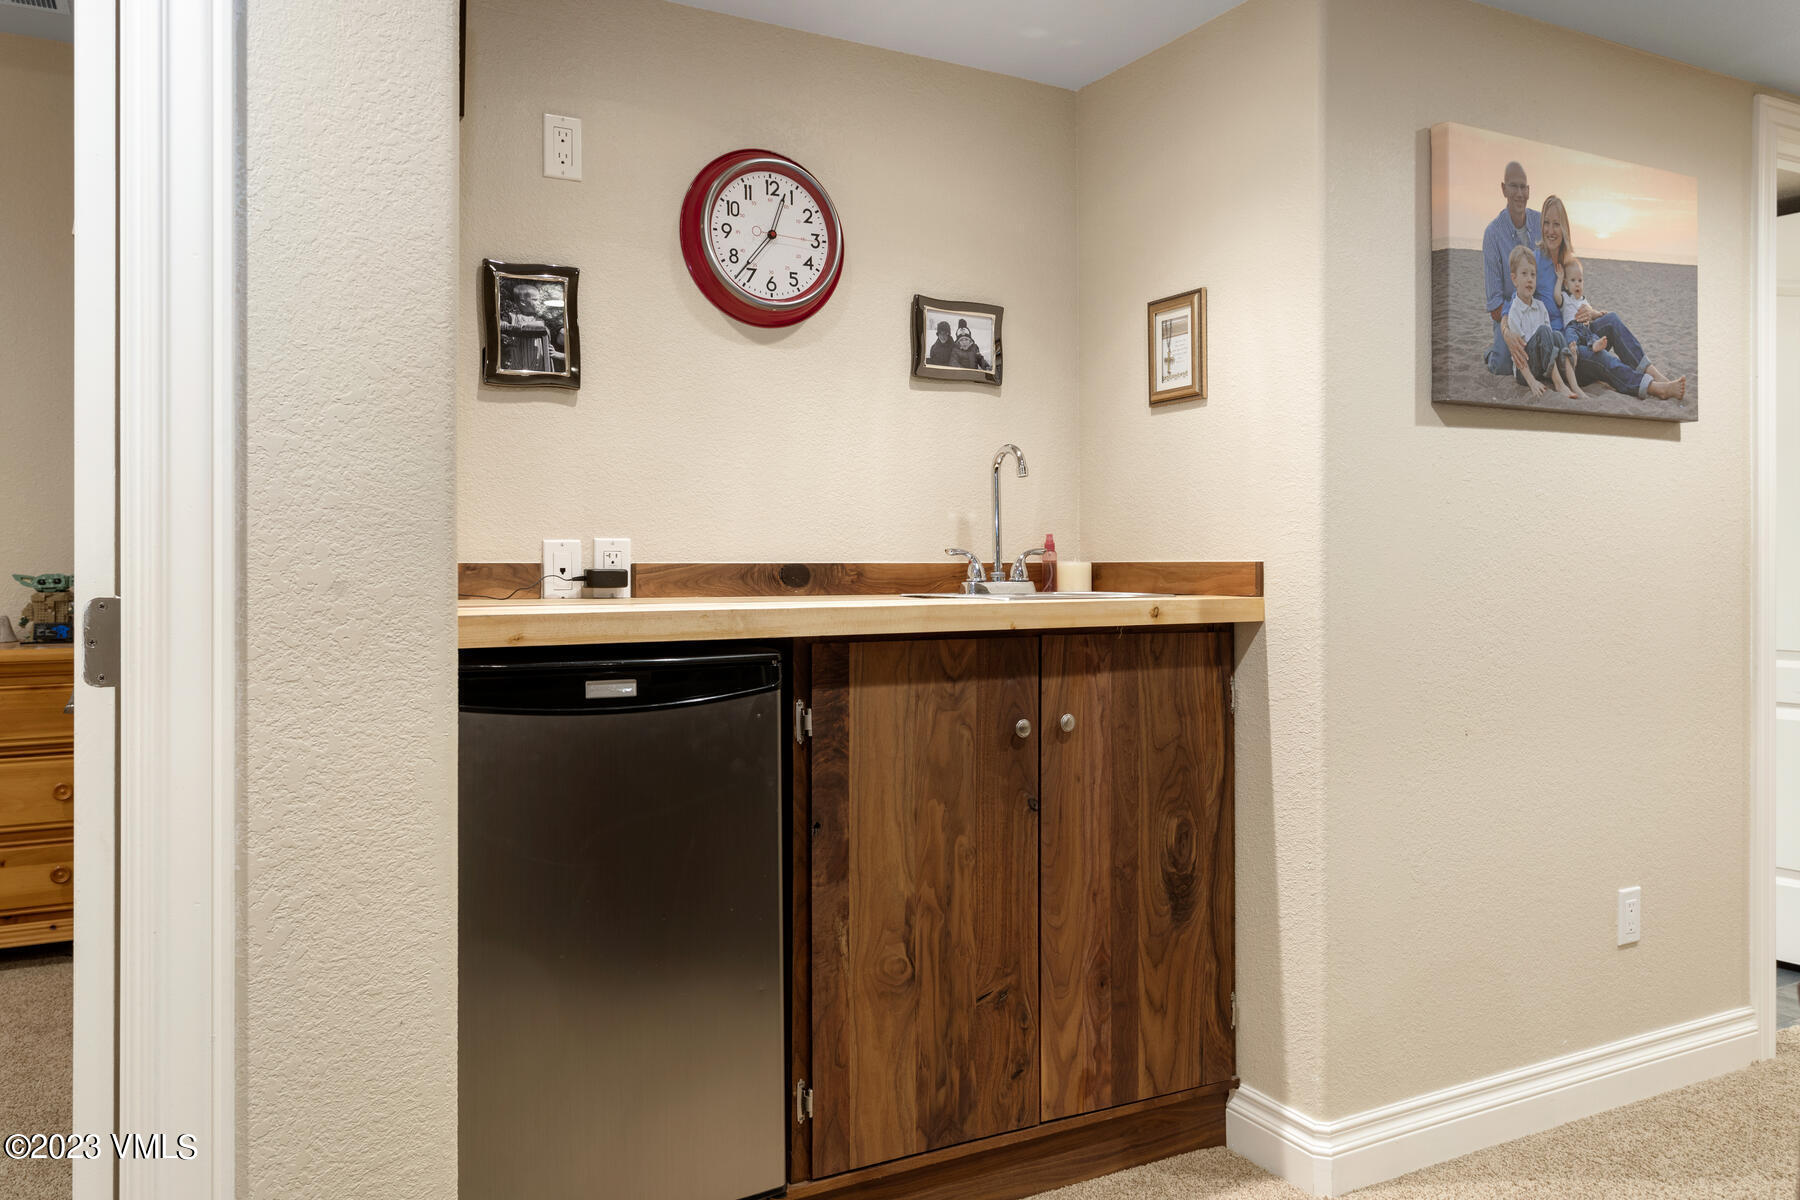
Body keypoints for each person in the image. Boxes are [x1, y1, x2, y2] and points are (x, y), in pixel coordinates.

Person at [1538, 196, 1686, 402]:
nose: (1551, 230)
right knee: (1602, 357)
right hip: (1567, 351)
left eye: (1556, 224)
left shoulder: (1569, 262)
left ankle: (1656, 375)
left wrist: (1593, 313)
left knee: (1612, 319)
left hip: (1584, 333)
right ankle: (1654, 388)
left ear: (1564, 228)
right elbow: (1516, 298)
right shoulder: (1535, 263)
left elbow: (1578, 302)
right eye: (1546, 222)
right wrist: (1506, 329)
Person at [1482, 161, 1541, 379]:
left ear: (1529, 190)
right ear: (1503, 189)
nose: (1519, 193)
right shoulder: (1493, 234)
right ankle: (1492, 351)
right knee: (1504, 366)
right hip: (1509, 316)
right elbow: (1495, 304)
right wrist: (1508, 331)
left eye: (1523, 187)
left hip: (1541, 310)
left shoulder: (1541, 221)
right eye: (1513, 186)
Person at [1506, 246, 1583, 400]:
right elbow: (1518, 356)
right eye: (1524, 274)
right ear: (1514, 279)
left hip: (1542, 365)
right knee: (1543, 331)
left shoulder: (1541, 307)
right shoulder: (1514, 312)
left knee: (1556, 335)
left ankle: (1574, 385)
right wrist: (1532, 382)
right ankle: (1559, 384)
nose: (1529, 279)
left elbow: (1551, 343)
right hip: (1526, 370)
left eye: (1533, 275)